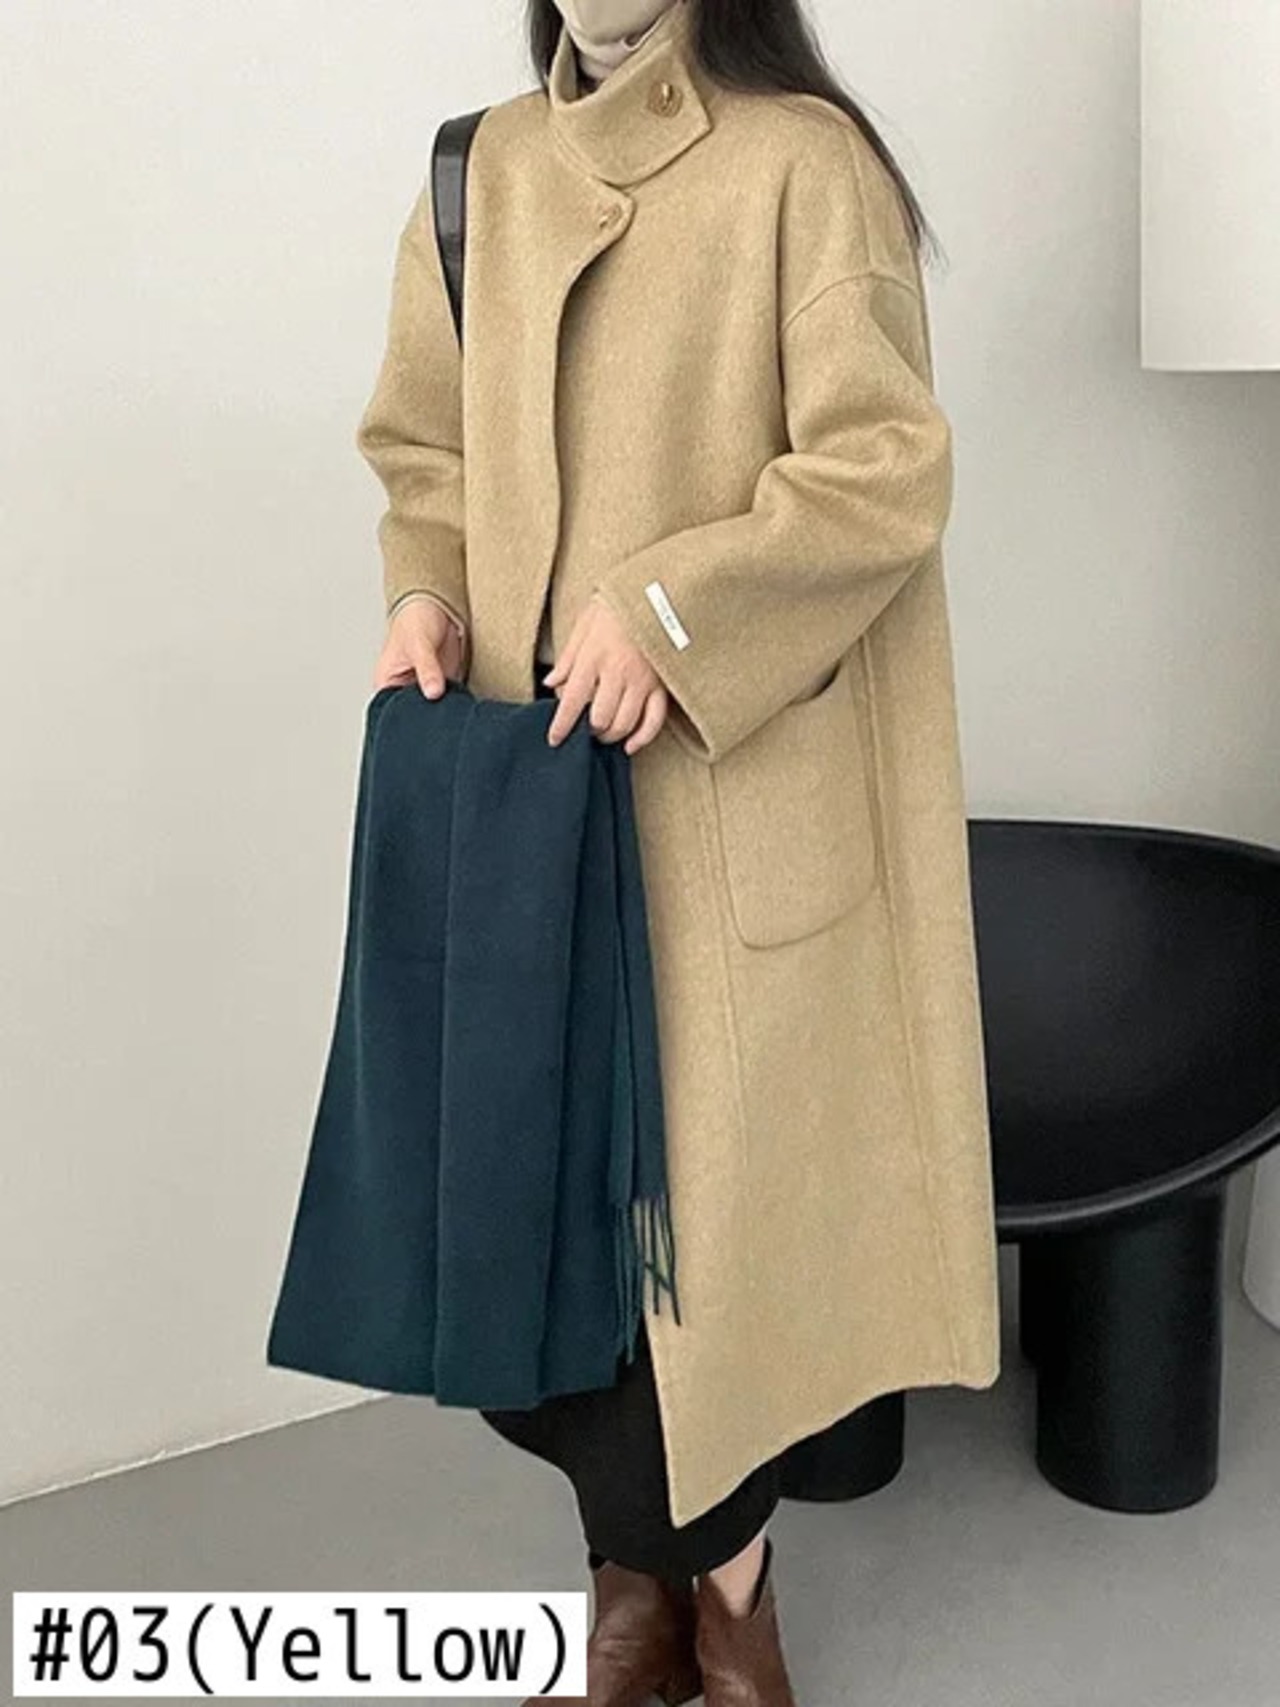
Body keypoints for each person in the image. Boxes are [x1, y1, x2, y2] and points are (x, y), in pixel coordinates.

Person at [355, 1, 1002, 1701]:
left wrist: (674, 616)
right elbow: (426, 445)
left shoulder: (803, 164)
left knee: (701, 1262)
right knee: (552, 1223)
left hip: (722, 830)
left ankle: (731, 1590)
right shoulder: (483, 169)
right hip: (530, 812)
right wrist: (425, 589)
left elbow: (884, 468)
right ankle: (626, 1576)